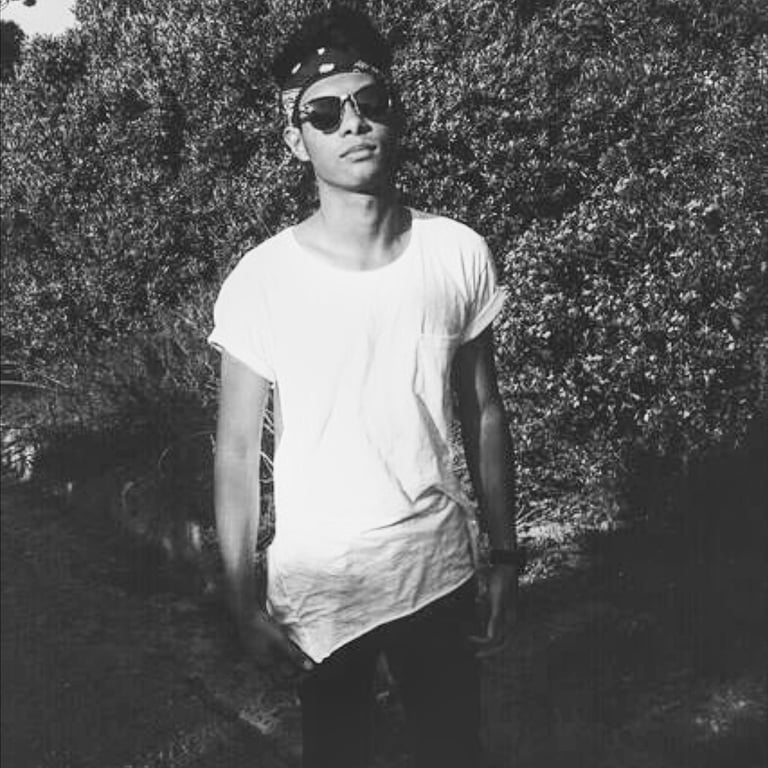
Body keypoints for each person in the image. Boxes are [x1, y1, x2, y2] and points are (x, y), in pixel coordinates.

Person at [209, 8, 524, 767]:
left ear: (395, 114)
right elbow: (237, 451)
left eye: (369, 103)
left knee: (454, 753)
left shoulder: (456, 253)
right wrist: (242, 602)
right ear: (297, 140)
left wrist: (505, 557)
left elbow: (484, 410)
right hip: (320, 591)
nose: (352, 123)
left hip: (436, 569)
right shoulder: (261, 281)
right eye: (323, 113)